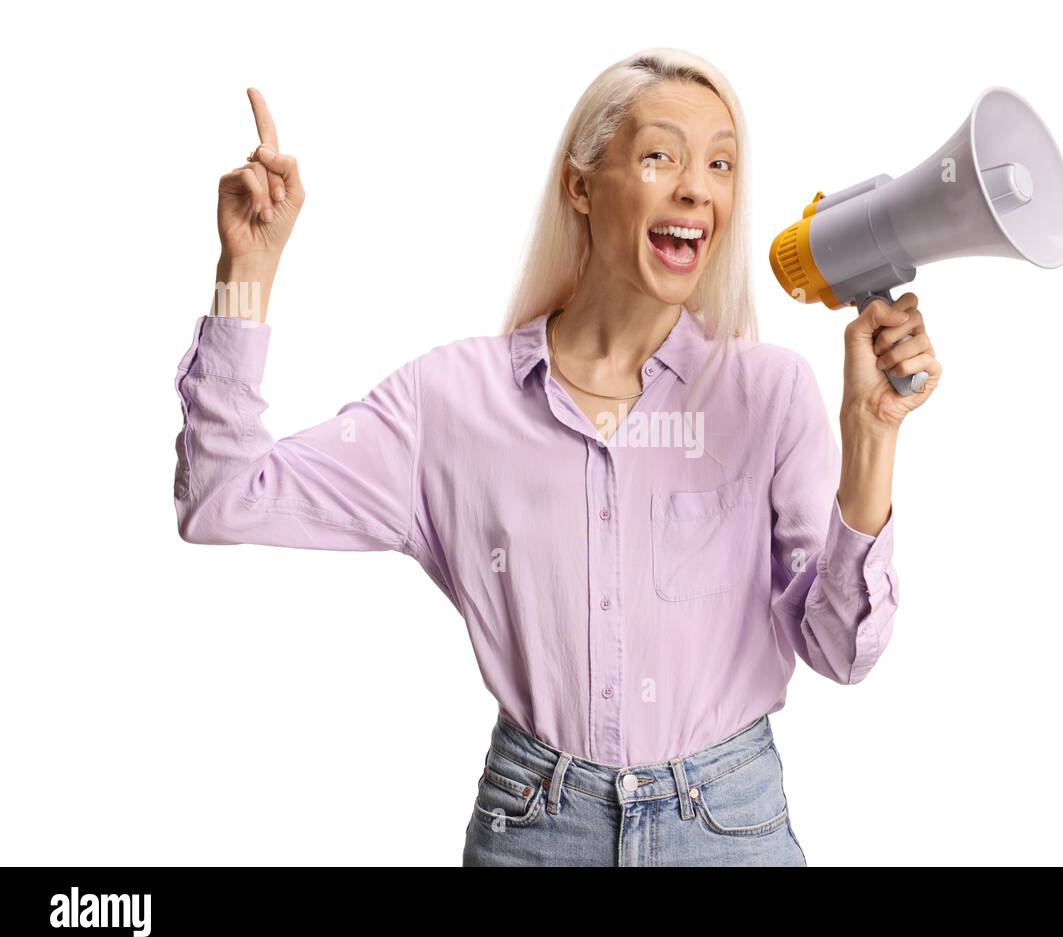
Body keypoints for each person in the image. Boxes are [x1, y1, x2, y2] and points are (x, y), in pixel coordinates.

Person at [174, 49, 942, 867]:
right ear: (581, 185)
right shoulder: (450, 404)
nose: (696, 188)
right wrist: (245, 272)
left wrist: (872, 436)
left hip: (730, 828)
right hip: (536, 830)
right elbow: (222, 498)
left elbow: (841, 650)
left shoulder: (769, 394)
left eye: (720, 163)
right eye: (660, 156)